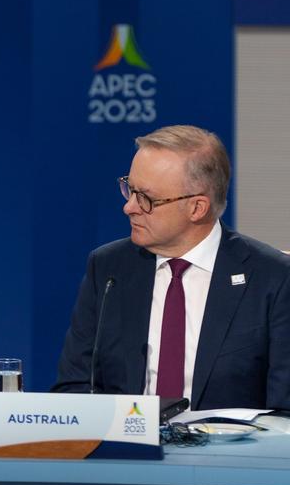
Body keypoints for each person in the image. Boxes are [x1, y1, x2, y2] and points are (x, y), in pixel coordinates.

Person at [54, 125, 290, 410]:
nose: (129, 207)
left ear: (197, 208)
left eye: (147, 198)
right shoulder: (108, 269)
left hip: (231, 452)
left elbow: (283, 411)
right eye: (129, 188)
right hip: (125, 449)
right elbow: (75, 387)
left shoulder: (271, 278)